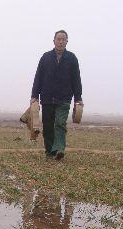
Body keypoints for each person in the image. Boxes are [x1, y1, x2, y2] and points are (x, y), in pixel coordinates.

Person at [31, 30, 83, 160]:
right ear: (53, 41)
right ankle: (50, 151)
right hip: (47, 97)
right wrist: (34, 95)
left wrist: (78, 98)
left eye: (63, 39)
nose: (60, 42)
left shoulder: (72, 58)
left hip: (64, 98)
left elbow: (76, 79)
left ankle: (59, 149)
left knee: (60, 123)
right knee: (48, 126)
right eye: (58, 39)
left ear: (66, 41)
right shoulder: (45, 57)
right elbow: (38, 77)